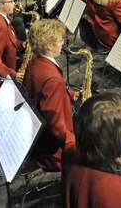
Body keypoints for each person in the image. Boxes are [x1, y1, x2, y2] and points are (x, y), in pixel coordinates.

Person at [23, 19, 77, 171]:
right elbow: (57, 127)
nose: (62, 43)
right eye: (60, 40)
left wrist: (70, 95)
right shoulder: (53, 80)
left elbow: (41, 93)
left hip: (37, 138)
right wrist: (75, 145)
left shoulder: (35, 62)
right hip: (52, 151)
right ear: (49, 45)